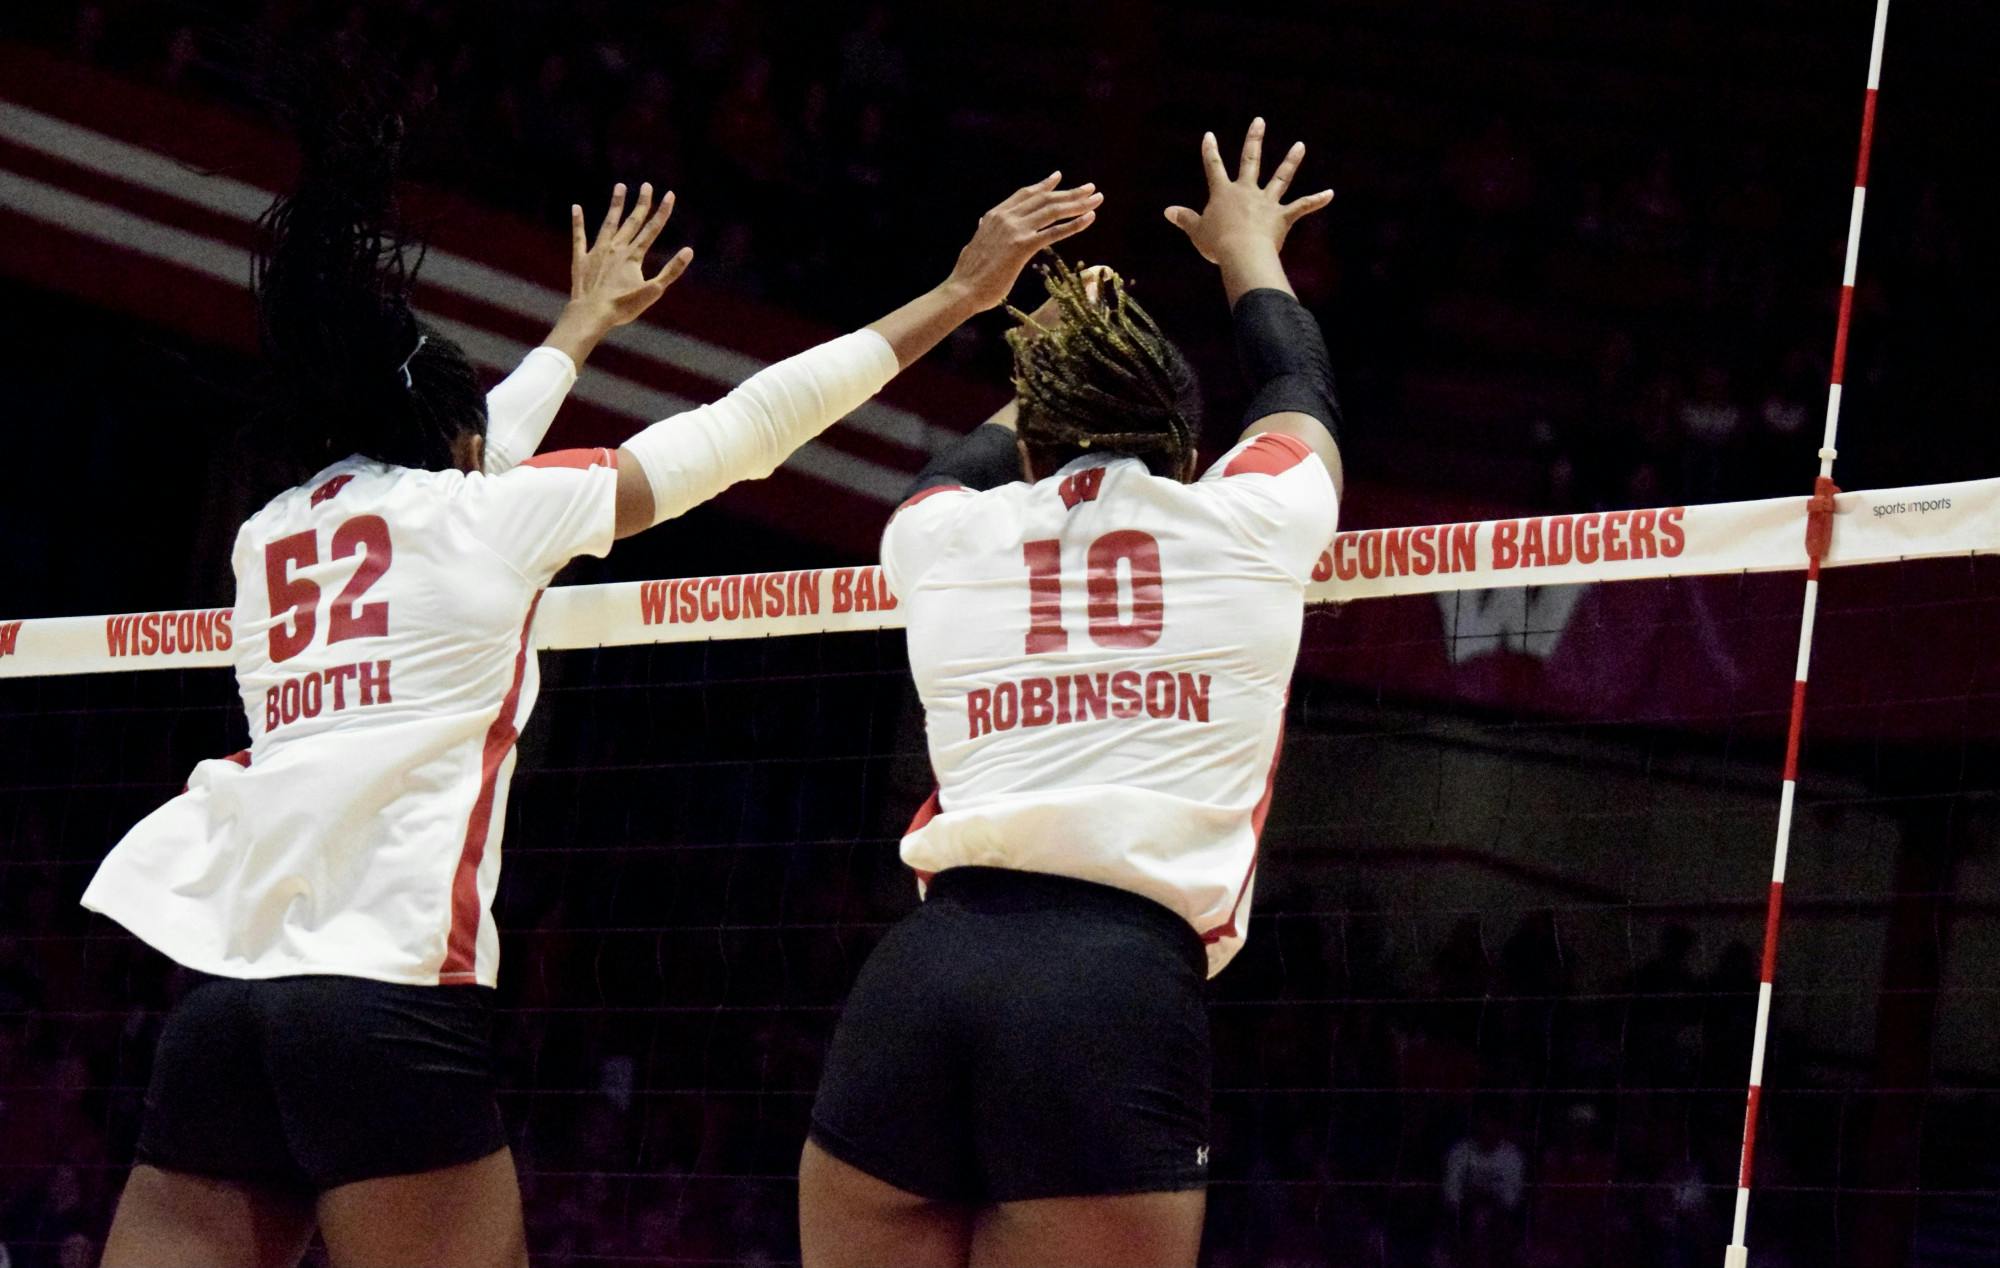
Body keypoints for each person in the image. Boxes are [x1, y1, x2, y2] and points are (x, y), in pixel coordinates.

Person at [79, 80, 1101, 1268]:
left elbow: (465, 456)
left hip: (219, 1001)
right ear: (464, 448)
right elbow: (744, 426)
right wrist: (958, 295)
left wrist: (577, 330)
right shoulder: (482, 518)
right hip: (379, 996)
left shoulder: (272, 536)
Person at [800, 118, 1342, 1268]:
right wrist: (1247, 245)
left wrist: (1054, 344)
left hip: (921, 980)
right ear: (1188, 446)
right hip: (1109, 991)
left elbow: (954, 470)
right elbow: (1297, 380)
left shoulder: (938, 536)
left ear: (1032, 440)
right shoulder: (1250, 513)